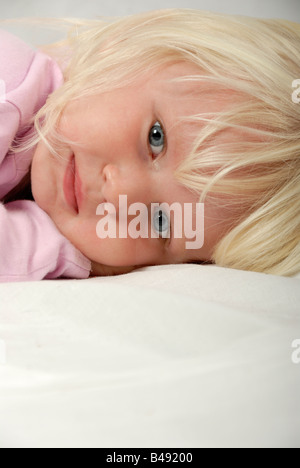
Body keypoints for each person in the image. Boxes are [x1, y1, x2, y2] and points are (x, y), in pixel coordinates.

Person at [0, 8, 299, 282]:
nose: (118, 193)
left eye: (160, 222)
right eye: (156, 137)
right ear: (122, 53)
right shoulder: (10, 81)